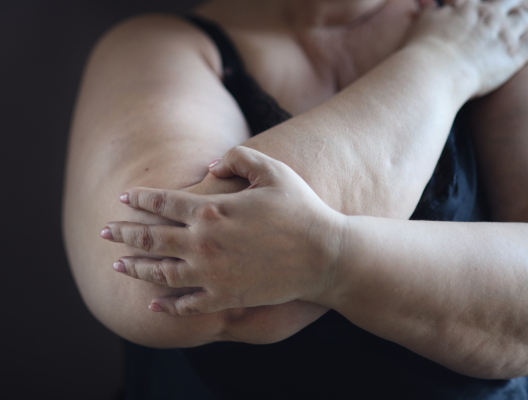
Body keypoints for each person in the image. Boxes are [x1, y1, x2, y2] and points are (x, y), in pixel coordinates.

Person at [64, 0, 528, 398]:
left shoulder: (497, 27)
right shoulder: (156, 47)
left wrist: (336, 259)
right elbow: (163, 273)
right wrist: (440, 65)